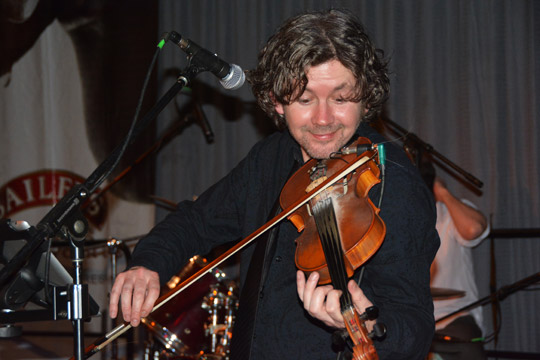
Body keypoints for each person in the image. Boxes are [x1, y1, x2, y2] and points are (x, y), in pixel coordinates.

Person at [109, 9, 440, 359]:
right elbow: (195, 221)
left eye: (341, 99)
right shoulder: (270, 157)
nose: (324, 118)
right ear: (277, 102)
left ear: (366, 98)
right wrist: (148, 264)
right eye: (305, 99)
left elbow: (414, 326)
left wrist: (366, 326)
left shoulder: (393, 181)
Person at [419, 159, 490, 360]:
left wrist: (442, 193)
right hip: (411, 318)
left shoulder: (450, 213)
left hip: (455, 316)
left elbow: (473, 229)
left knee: (466, 344)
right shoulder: (395, 221)